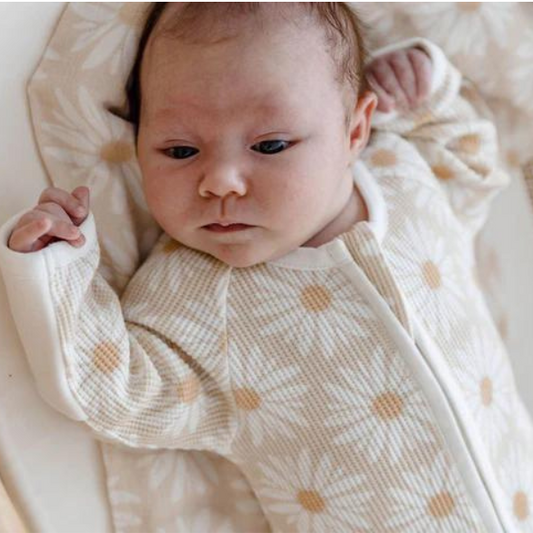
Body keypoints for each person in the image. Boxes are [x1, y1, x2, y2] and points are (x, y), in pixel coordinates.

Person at [1, 3, 531, 531]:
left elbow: (472, 165)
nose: (222, 180)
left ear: (354, 132)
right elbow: (111, 392)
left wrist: (428, 89)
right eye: (180, 150)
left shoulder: (405, 176)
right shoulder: (203, 297)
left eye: (270, 145)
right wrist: (57, 268)